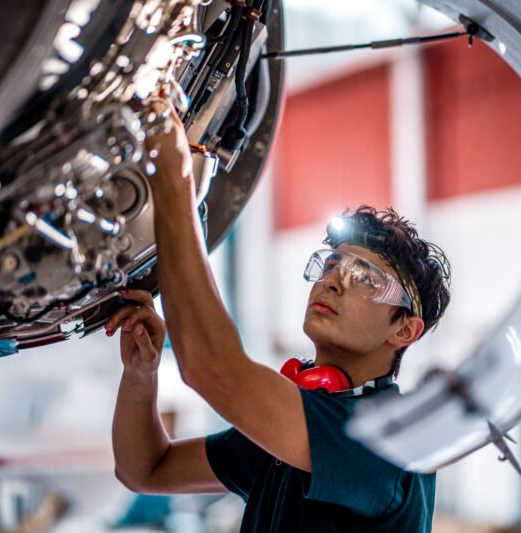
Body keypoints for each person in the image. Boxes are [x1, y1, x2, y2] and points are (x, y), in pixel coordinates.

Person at [108, 105, 451, 531]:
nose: (332, 282)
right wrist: (142, 375)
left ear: (405, 329)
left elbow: (213, 369)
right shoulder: (304, 428)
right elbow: (146, 469)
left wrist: (176, 180)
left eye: (364, 278)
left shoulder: (385, 441)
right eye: (330, 265)